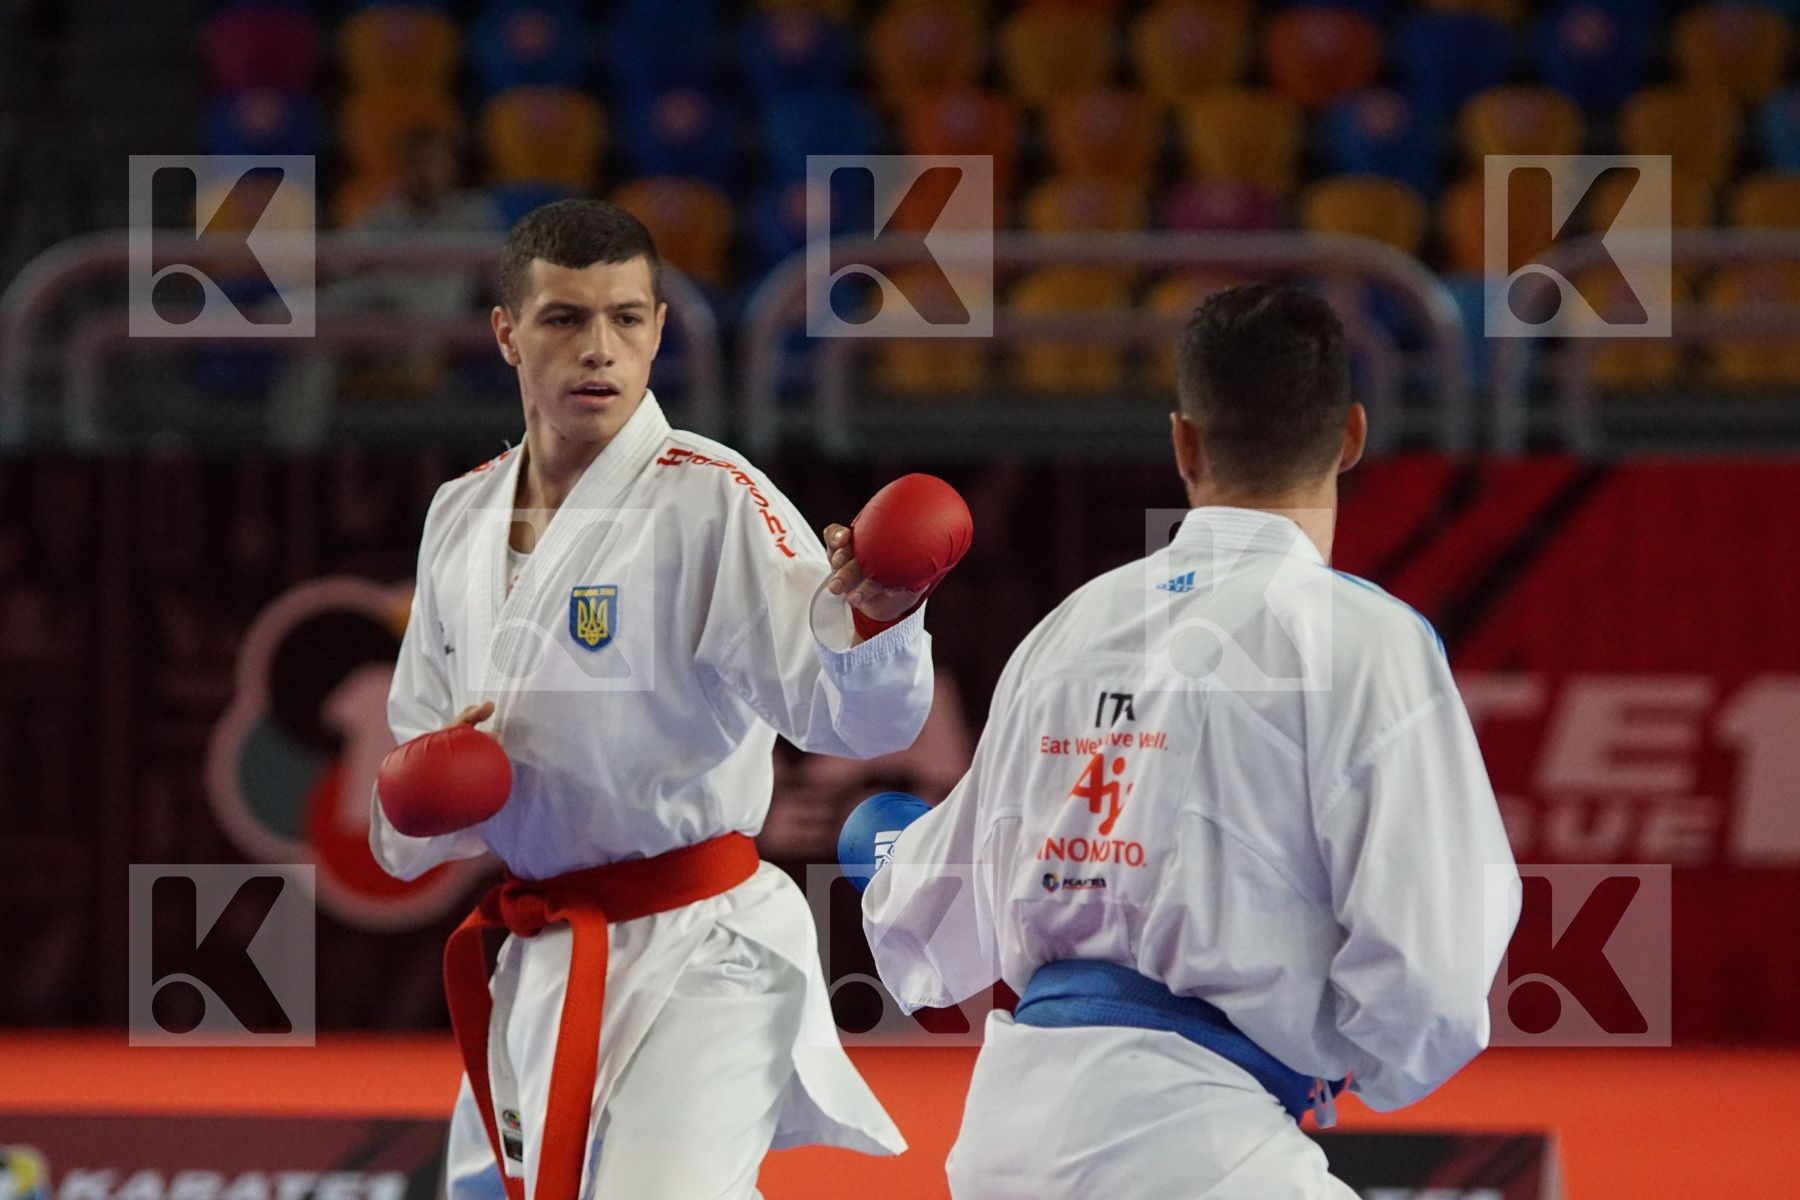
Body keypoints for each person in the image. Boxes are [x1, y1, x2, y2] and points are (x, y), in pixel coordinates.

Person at [859, 283, 1521, 1198]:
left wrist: (885, 847)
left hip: (1006, 1143)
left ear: (1183, 441)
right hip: (1199, 1147)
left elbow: (926, 928)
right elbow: (1434, 975)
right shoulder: (1368, 642)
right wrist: (1365, 1061)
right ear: (1353, 436)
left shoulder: (1071, 626)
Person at [371, 198, 937, 1199]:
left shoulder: (712, 497)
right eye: (565, 319)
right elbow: (408, 811)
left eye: (628, 318)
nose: (600, 348)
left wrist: (879, 623)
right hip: (539, 952)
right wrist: (421, 797)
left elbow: (855, 720)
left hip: (703, 950)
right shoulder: (460, 513)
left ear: (660, 329)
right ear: (506, 332)